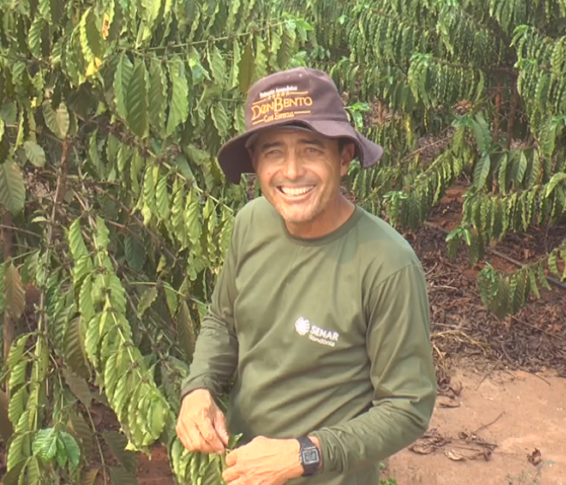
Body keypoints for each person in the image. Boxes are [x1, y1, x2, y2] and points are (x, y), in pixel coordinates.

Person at [174, 66, 438, 485]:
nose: (292, 171)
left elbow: (407, 406)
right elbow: (223, 321)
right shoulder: (251, 223)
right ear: (256, 163)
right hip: (243, 471)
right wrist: (198, 388)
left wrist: (304, 454)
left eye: (312, 150)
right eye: (274, 151)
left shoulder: (387, 264)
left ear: (344, 158)